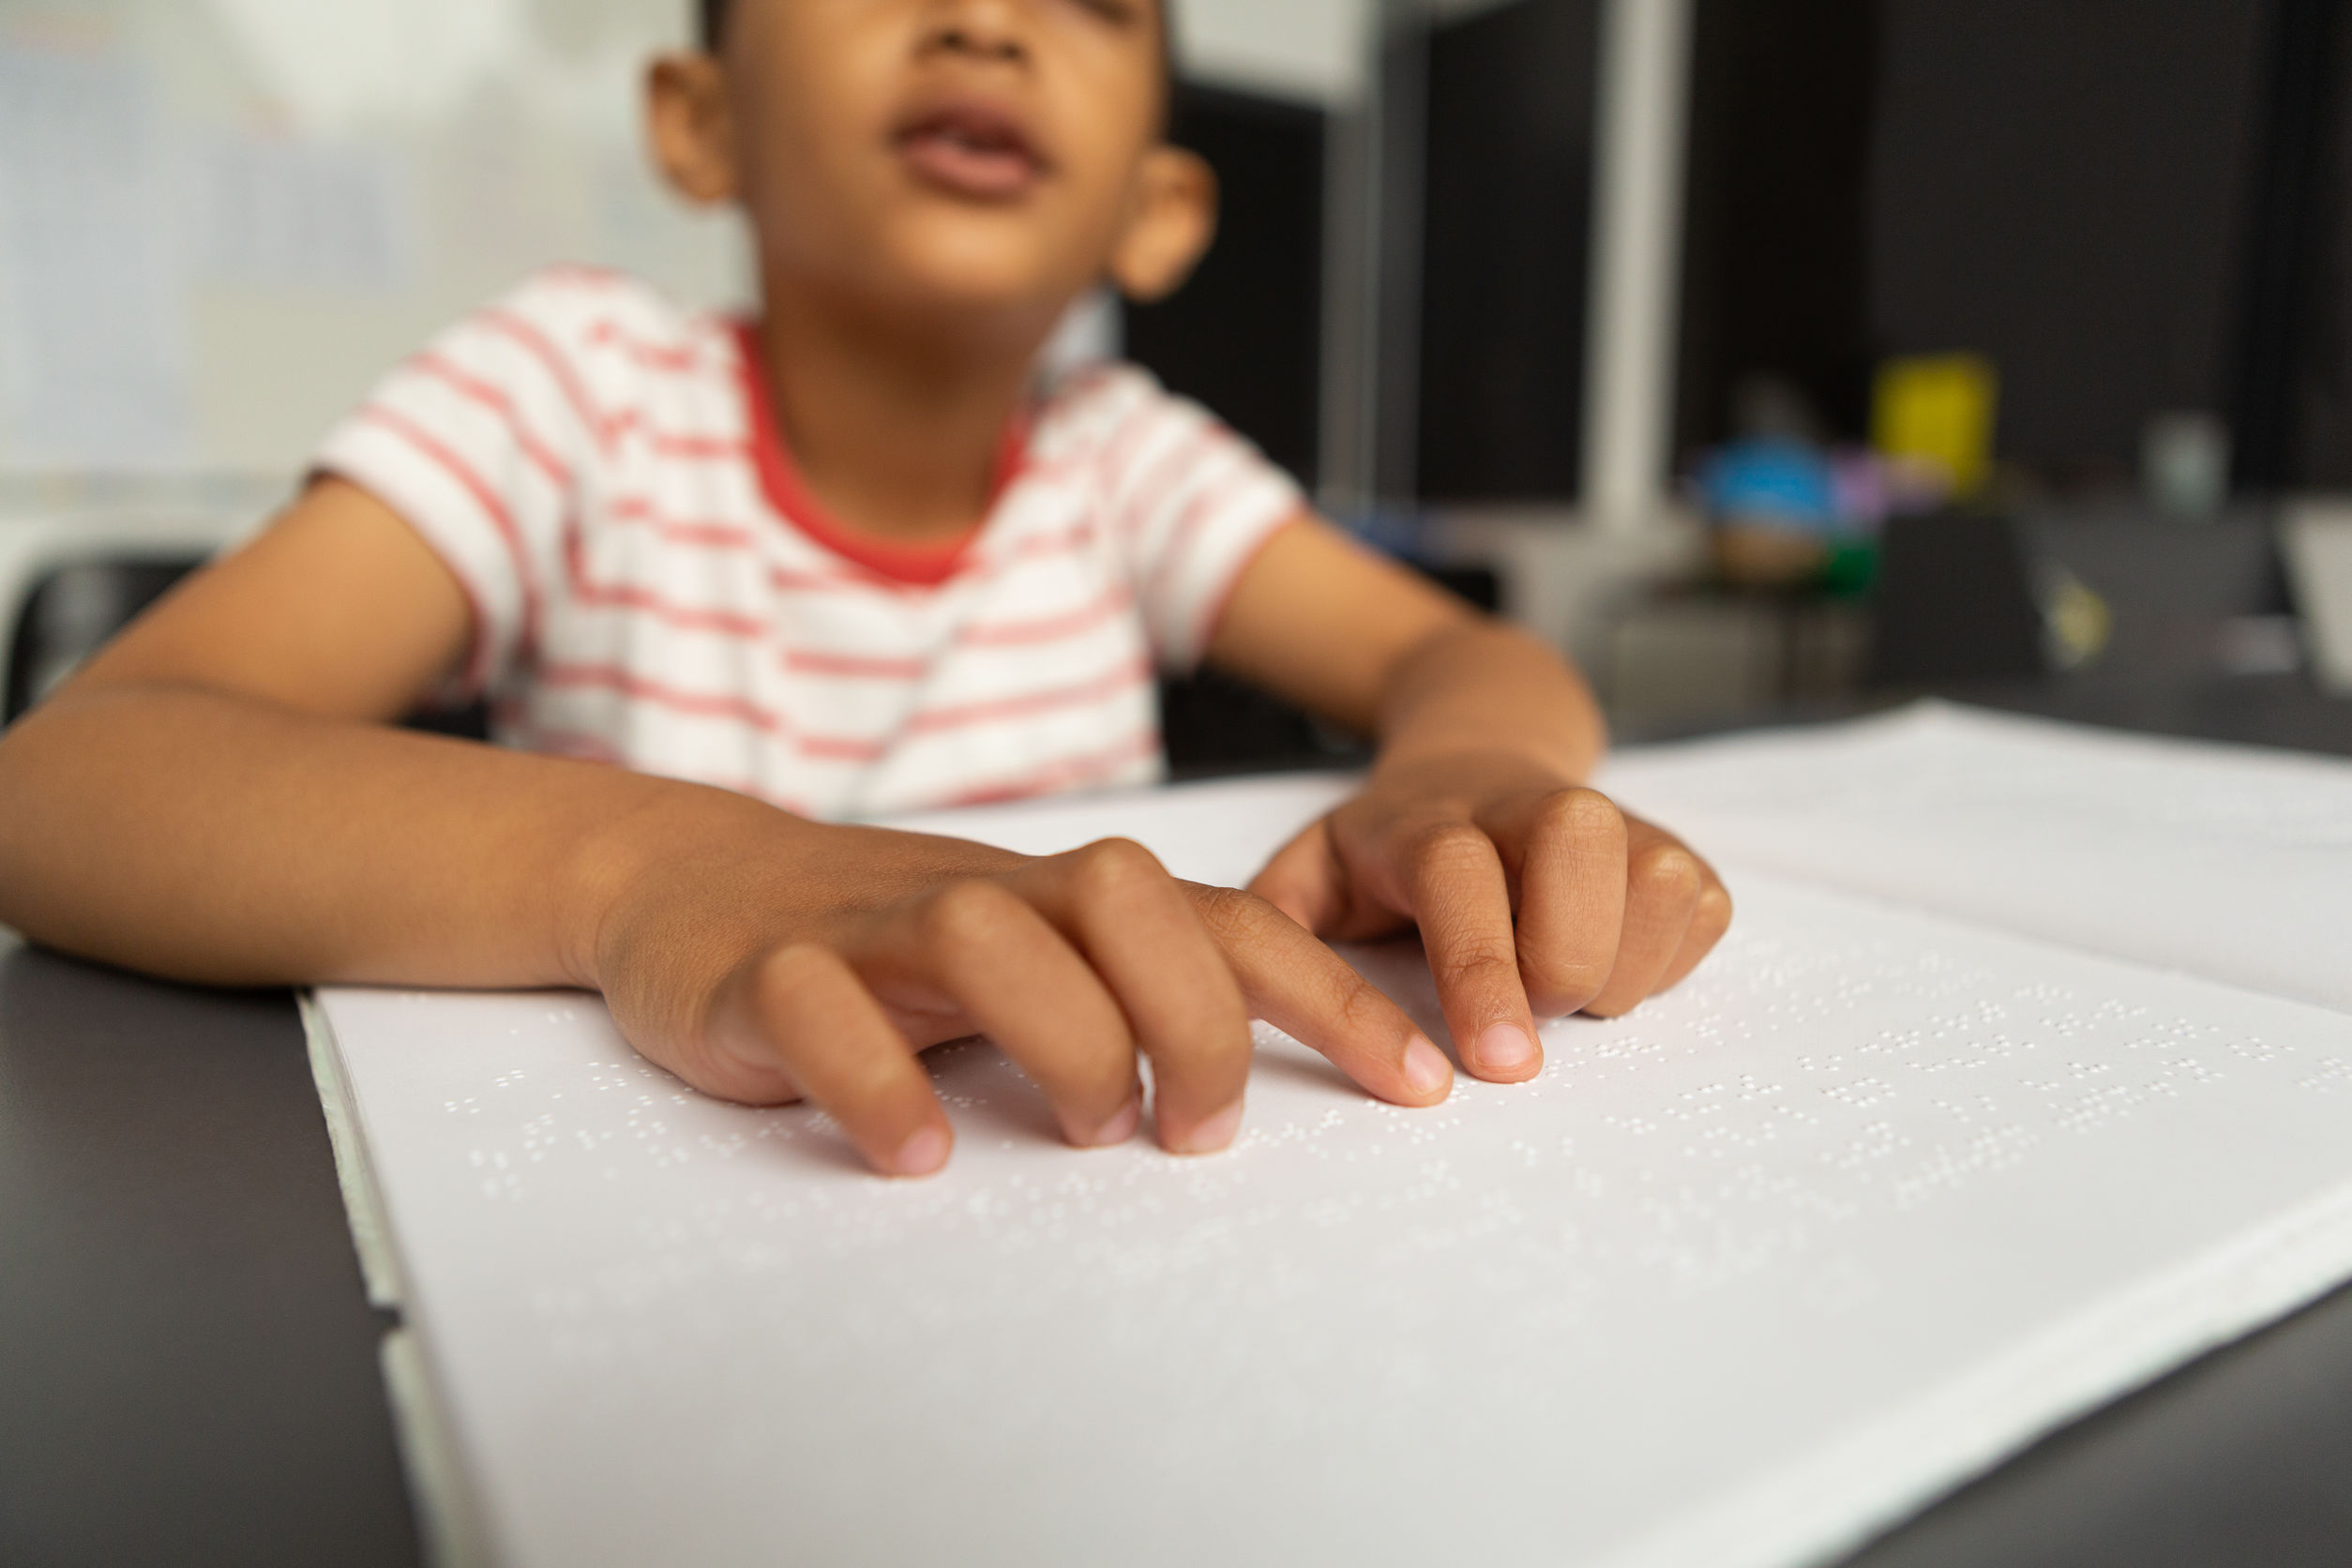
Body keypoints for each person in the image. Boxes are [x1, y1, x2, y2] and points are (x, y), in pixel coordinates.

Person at [0, 0, 1730, 1177]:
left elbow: (1459, 650)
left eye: (1090, 2)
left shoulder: (1121, 453)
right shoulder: (570, 392)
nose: (985, 16)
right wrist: (662, 870)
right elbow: (71, 775)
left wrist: (1459, 775)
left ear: (1158, 208)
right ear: (700, 118)